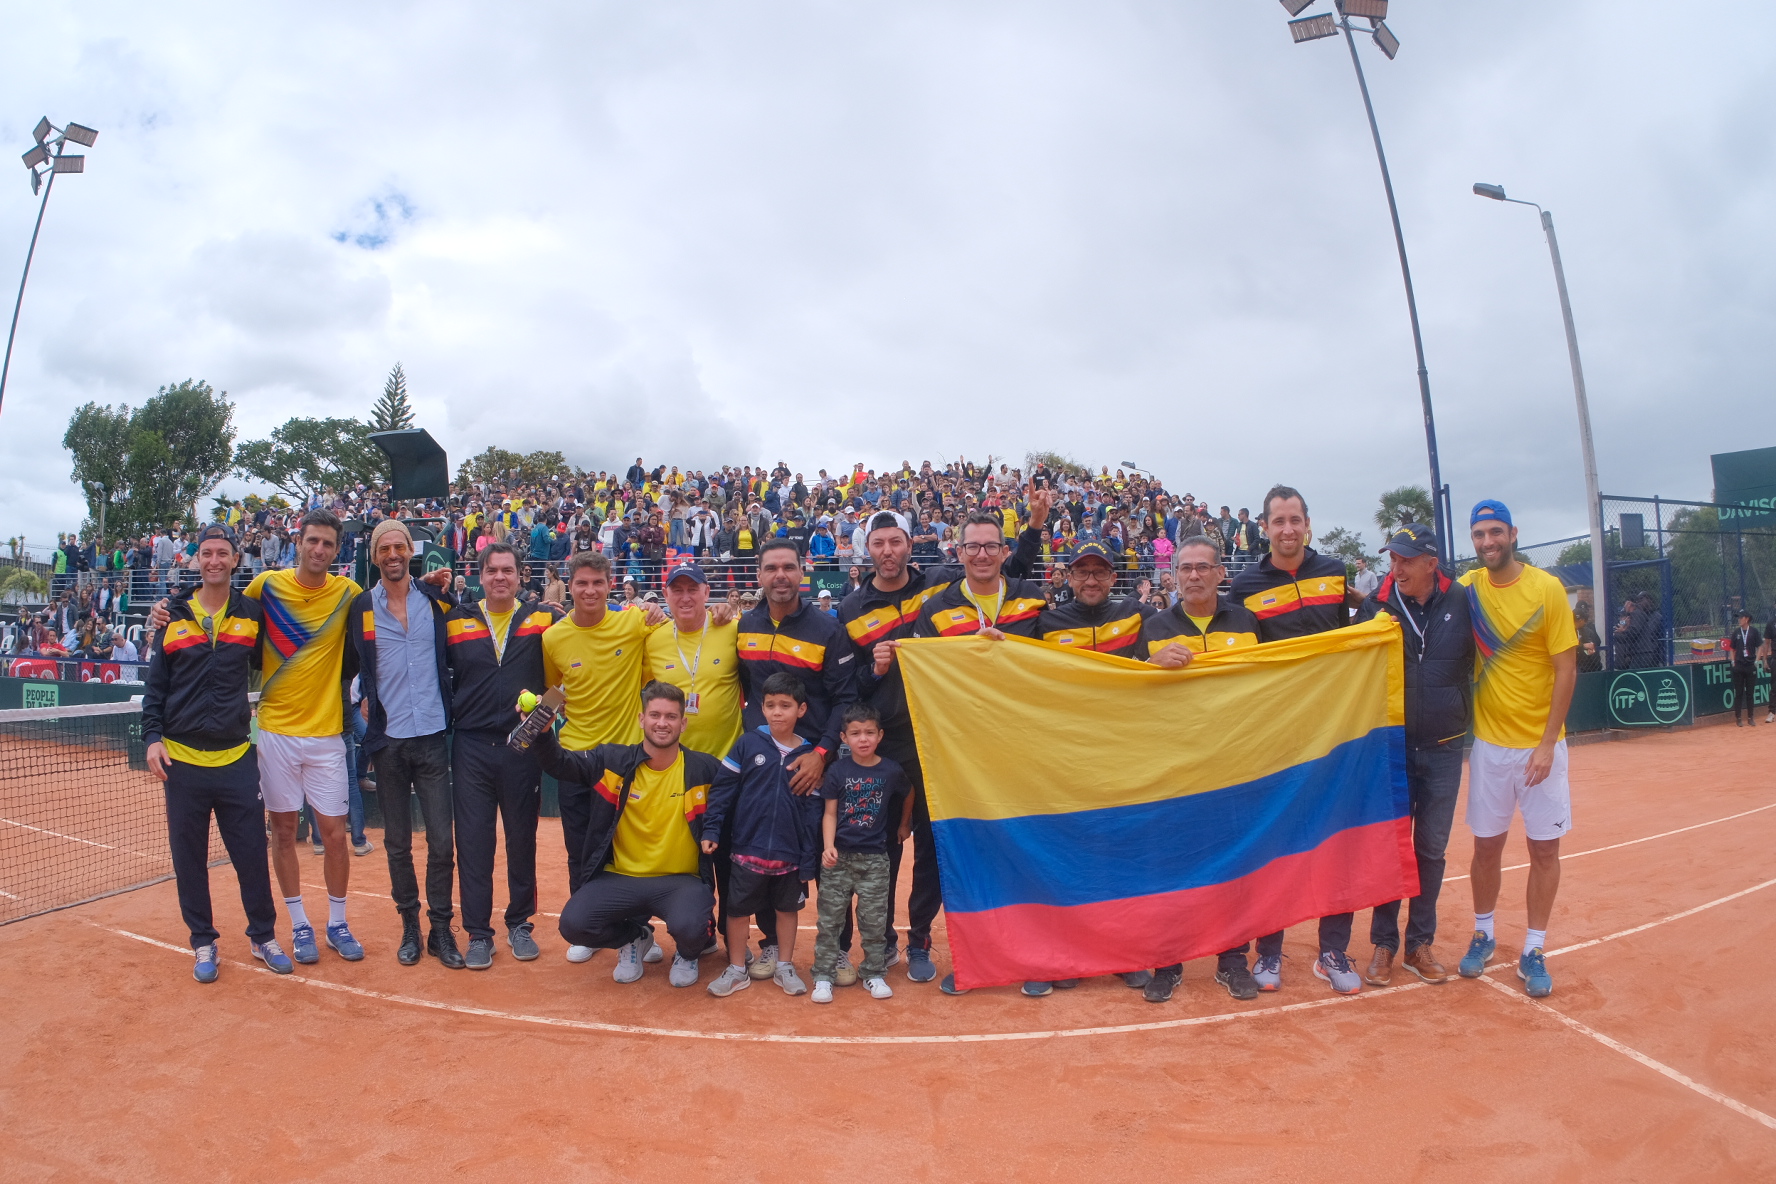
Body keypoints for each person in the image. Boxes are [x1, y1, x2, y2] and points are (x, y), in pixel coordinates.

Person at [152, 509, 367, 965]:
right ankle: (292, 929)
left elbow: (389, 604)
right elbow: (208, 605)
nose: (319, 550)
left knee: (333, 834)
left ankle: (329, 924)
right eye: (312, 541)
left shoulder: (349, 593)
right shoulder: (265, 586)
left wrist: (432, 589)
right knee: (282, 832)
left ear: (336, 549)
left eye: (328, 544)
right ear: (298, 542)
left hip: (323, 735)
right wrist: (168, 607)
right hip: (270, 735)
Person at [140, 525, 290, 982]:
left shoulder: (252, 613)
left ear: (235, 558)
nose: (213, 561)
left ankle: (263, 936)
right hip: (182, 763)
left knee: (250, 856)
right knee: (189, 859)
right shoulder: (174, 614)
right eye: (206, 553)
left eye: (222, 553)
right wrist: (151, 738)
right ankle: (203, 943)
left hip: (236, 761)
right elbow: (156, 688)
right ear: (196, 559)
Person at [1227, 485, 1359, 994]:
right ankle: (1269, 954)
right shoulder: (1244, 584)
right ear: (1265, 526)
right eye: (1277, 520)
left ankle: (1333, 951)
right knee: (1275, 841)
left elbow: (1356, 628)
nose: (1287, 529)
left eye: (1294, 520)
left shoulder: (1334, 571)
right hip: (1276, 731)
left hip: (1335, 728)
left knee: (1337, 841)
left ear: (1308, 524)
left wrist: (1367, 605)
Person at [1456, 500, 1579, 999]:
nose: (1488, 542)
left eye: (1495, 533)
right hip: (1488, 746)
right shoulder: (1468, 590)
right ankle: (1483, 932)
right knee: (1487, 847)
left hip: (1541, 749)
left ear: (1512, 533)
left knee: (1544, 849)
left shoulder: (1546, 588)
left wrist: (1547, 743)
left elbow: (1567, 669)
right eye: (1479, 535)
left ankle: (1533, 948)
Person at [1138, 536, 1261, 1002]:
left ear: (1219, 572)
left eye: (1202, 567)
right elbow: (1123, 688)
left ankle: (1232, 960)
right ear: (1174, 575)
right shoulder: (1155, 625)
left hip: (1233, 765)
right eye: (1184, 567)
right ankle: (1168, 963)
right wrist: (1150, 663)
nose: (1192, 575)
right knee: (1171, 866)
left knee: (1234, 865)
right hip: (1175, 768)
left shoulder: (1247, 622)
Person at [535, 681, 722, 987]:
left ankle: (688, 953)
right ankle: (635, 938)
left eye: (671, 716)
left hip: (681, 881)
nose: (662, 723)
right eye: (655, 715)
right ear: (641, 719)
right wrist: (543, 736)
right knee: (575, 925)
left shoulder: (704, 769)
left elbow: (742, 797)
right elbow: (561, 764)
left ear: (683, 723)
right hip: (620, 878)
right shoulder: (611, 762)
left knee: (692, 928)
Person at [731, 539, 859, 980]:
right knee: (767, 856)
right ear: (760, 575)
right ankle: (770, 945)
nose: (780, 575)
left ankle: (836, 950)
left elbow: (845, 700)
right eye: (772, 568)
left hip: (813, 766)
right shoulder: (743, 624)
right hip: (763, 767)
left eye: (789, 567)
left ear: (803, 572)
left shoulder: (827, 629)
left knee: (827, 862)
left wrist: (821, 755)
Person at [1355, 524, 1472, 988]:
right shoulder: (1376, 605)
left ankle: (1419, 943)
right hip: (1392, 747)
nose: (1396, 567)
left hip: (1445, 748)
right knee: (1390, 847)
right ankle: (1383, 944)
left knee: (1431, 850)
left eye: (1405, 560)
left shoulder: (1463, 600)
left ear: (1430, 563)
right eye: (1393, 559)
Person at [441, 542, 564, 970]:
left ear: (519, 575)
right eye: (491, 570)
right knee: (474, 841)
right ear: (480, 575)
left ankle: (519, 924)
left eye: (507, 571)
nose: (499, 578)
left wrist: (546, 709)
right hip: (471, 746)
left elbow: (579, 654)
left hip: (522, 744)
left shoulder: (545, 616)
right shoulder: (455, 620)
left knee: (521, 838)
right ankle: (478, 932)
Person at [348, 519, 461, 968]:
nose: (392, 555)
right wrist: (358, 698)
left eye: (399, 547)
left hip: (433, 736)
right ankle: (410, 928)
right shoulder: (360, 608)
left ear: (410, 553)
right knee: (397, 843)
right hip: (387, 741)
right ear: (375, 556)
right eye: (384, 549)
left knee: (441, 842)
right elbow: (345, 661)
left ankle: (440, 930)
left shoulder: (436, 600)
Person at [701, 672, 825, 997]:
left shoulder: (809, 758)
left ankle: (784, 966)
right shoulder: (747, 744)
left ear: (801, 710)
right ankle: (737, 968)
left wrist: (809, 860)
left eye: (785, 705)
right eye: (770, 705)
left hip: (790, 854)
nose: (777, 712)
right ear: (762, 708)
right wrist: (713, 827)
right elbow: (723, 790)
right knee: (737, 910)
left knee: (787, 911)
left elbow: (814, 815)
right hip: (746, 848)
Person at [810, 703, 909, 1003]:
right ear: (843, 737)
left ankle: (874, 973)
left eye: (869, 732)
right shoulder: (838, 771)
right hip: (839, 859)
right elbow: (829, 813)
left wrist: (904, 825)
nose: (863, 739)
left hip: (876, 859)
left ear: (880, 735)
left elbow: (909, 792)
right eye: (855, 733)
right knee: (829, 921)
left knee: (874, 922)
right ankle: (823, 976)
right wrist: (828, 846)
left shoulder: (891, 770)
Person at [644, 561, 743, 762]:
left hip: (727, 761)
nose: (685, 598)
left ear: (706, 592)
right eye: (678, 590)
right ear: (666, 595)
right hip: (674, 762)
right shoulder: (652, 639)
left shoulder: (733, 630)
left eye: (692, 589)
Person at [1726, 611, 1762, 727]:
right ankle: (1739, 718)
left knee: (1750, 694)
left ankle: (1751, 717)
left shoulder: (1754, 631)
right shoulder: (1736, 632)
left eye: (1741, 617)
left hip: (1750, 666)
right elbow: (1731, 648)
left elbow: (1760, 646)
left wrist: (1756, 661)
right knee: (1739, 693)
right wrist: (1733, 662)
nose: (1739, 619)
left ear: (1746, 619)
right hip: (1739, 666)